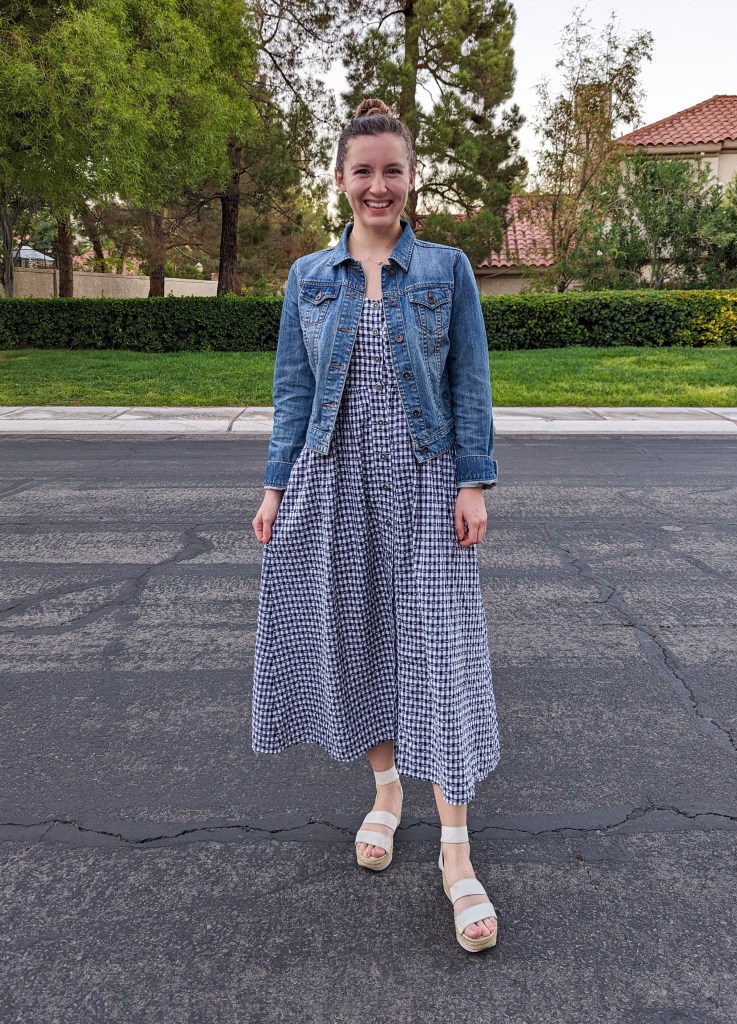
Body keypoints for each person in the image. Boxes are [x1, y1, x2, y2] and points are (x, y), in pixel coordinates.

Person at [251, 97, 500, 953]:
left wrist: (474, 483)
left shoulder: (445, 270)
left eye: (391, 169)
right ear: (339, 179)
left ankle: (457, 856)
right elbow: (291, 391)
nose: (377, 186)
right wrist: (276, 487)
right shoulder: (307, 279)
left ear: (410, 176)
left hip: (426, 484)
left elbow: (469, 379)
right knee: (360, 636)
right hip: (334, 478)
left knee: (437, 650)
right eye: (363, 171)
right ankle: (385, 792)